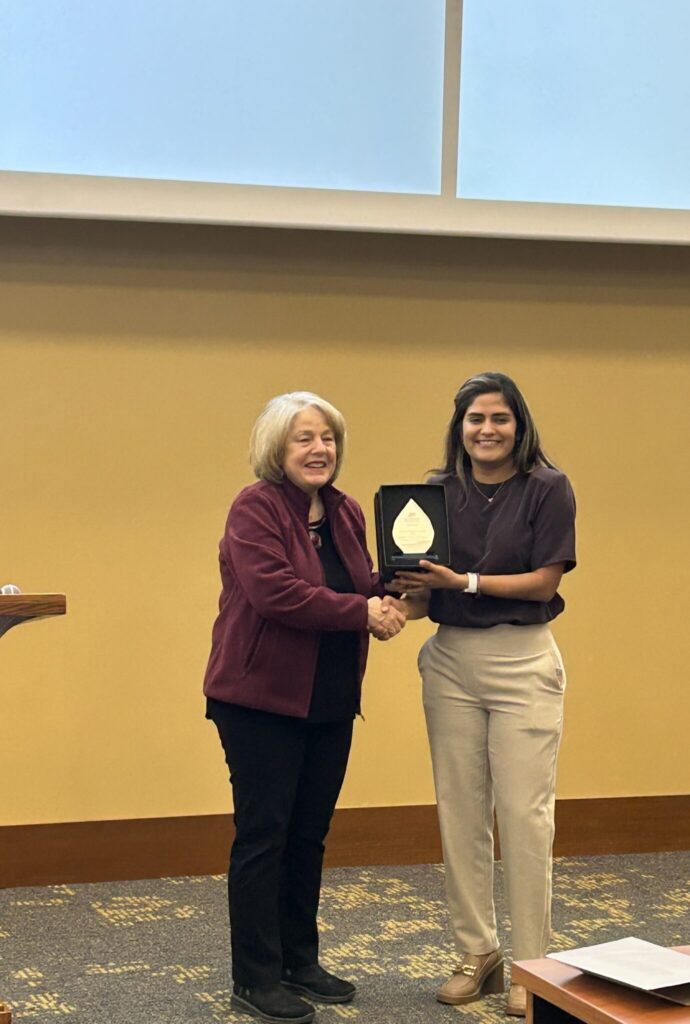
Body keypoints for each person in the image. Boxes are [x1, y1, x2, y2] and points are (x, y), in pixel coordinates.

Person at [204, 391, 405, 1024]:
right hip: (259, 700)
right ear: (276, 448)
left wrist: (400, 593)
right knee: (264, 836)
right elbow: (277, 594)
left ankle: (299, 959)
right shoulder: (254, 507)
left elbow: (361, 584)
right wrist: (361, 612)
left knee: (309, 835)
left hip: (330, 698)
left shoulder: (345, 511)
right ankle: (255, 977)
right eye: (304, 439)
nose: (320, 450)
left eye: (328, 438)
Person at [392, 372, 576, 1017]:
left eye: (500, 419)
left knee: (525, 818)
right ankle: (480, 954)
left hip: (523, 661)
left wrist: (462, 580)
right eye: (475, 419)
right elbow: (425, 595)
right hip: (450, 662)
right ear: (459, 427)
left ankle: (533, 966)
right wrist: (394, 604)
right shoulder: (436, 491)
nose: (487, 430)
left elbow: (542, 581)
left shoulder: (547, 488)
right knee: (460, 812)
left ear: (519, 426)